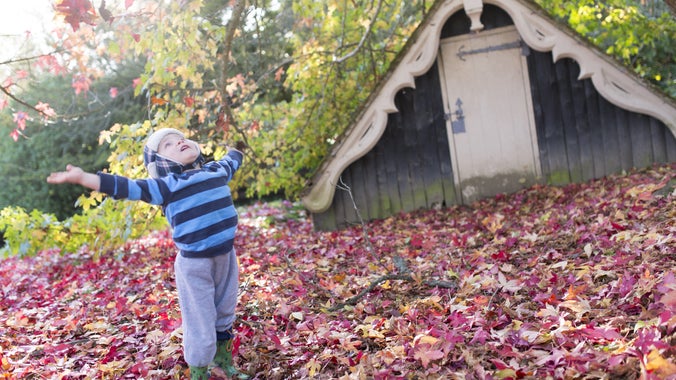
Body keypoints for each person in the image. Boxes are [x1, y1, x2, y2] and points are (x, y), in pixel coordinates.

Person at [47, 128, 249, 380]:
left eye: (181, 138)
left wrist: (239, 145)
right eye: (168, 145)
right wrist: (84, 177)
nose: (179, 142)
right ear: (160, 162)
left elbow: (234, 158)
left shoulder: (216, 170)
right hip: (195, 265)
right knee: (200, 320)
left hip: (226, 257)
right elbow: (126, 187)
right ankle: (199, 371)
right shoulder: (165, 186)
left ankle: (223, 363)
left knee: (225, 310)